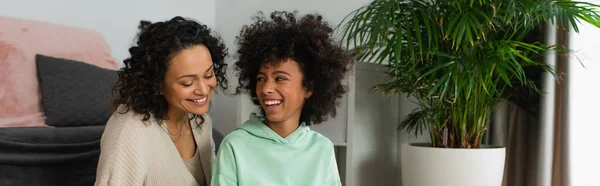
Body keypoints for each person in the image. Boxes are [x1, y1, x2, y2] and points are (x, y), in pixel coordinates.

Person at [211, 11, 354, 186]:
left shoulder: (322, 148)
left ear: (307, 88)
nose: (266, 89)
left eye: (280, 78)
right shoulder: (234, 146)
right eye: (261, 79)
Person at [95, 16, 228, 186]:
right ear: (156, 84)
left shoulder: (199, 121)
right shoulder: (130, 130)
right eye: (187, 82)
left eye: (208, 75)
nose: (203, 90)